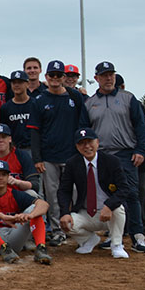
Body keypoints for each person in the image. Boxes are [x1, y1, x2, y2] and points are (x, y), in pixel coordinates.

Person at [86, 61, 145, 253]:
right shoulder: (89, 103)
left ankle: (138, 236)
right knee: (108, 196)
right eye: (104, 75)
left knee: (131, 194)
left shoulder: (128, 98)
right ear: (96, 78)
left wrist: (140, 150)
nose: (108, 78)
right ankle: (114, 237)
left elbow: (140, 126)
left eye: (111, 75)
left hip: (125, 153)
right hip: (101, 155)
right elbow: (85, 130)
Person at [28, 60, 89, 247]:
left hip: (72, 155)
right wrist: (37, 158)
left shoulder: (75, 97)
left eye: (59, 75)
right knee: (53, 196)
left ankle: (78, 229)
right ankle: (57, 230)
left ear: (64, 77)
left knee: (77, 194)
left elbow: (83, 126)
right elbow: (35, 132)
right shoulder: (39, 100)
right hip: (49, 156)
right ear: (46, 77)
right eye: (52, 75)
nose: (55, 78)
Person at [57, 128, 132, 259]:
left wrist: (109, 205)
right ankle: (89, 240)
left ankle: (117, 245)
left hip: (108, 213)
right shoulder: (72, 163)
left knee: (118, 209)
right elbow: (64, 190)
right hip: (86, 212)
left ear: (97, 142)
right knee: (65, 223)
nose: (87, 146)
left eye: (90, 142)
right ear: (77, 146)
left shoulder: (112, 161)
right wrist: (65, 213)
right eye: (82, 143)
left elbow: (124, 188)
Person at [0, 160, 51, 264]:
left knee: (35, 208)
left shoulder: (15, 194)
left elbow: (44, 205)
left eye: (4, 174)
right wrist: (2, 216)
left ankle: (41, 248)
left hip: (13, 241)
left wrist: (30, 215)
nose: (0, 178)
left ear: (8, 177)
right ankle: (2, 246)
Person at [0, 123, 39, 193]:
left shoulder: (21, 155)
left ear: (10, 139)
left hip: (19, 196)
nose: (0, 140)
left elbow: (35, 185)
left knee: (31, 193)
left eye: (4, 137)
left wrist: (17, 182)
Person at [0, 70, 33, 149]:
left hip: (32, 147)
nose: (16, 85)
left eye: (20, 82)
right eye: (14, 83)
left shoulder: (35, 104)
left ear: (27, 84)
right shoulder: (5, 107)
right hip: (13, 148)